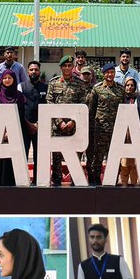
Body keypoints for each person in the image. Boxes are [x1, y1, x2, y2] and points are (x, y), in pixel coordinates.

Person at [45, 55, 92, 185]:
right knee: (56, 160)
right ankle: (57, 183)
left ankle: (74, 183)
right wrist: (59, 122)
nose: (67, 68)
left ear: (72, 67)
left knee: (75, 159)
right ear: (61, 67)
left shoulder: (79, 83)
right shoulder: (53, 83)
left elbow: (83, 104)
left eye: (69, 65)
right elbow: (50, 102)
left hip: (74, 128)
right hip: (57, 128)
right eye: (64, 66)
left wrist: (73, 121)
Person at [0, 69, 29, 186]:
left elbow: (21, 114)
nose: (7, 80)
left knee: (11, 160)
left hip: (14, 135)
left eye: (10, 78)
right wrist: (1, 131)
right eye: (4, 78)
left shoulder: (19, 96)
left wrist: (12, 131)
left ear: (14, 79)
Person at [87, 64, 125, 185]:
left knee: (115, 156)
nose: (110, 75)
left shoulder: (120, 89)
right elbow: (92, 110)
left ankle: (112, 179)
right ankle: (95, 180)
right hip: (100, 129)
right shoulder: (97, 89)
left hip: (115, 129)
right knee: (98, 156)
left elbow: (124, 109)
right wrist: (92, 129)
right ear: (103, 74)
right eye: (107, 72)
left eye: (112, 72)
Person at [118, 77, 140, 186]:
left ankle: (134, 183)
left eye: (132, 85)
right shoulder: (120, 98)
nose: (129, 87)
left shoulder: (139, 98)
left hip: (136, 131)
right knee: (125, 159)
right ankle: (124, 183)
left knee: (135, 160)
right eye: (127, 85)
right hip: (123, 132)